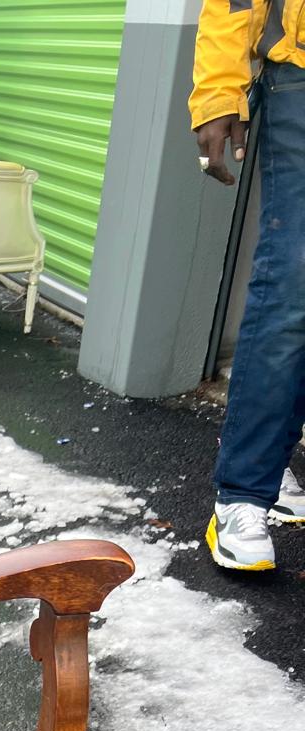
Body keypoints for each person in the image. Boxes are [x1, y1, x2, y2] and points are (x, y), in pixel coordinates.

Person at [192, 0, 305, 572]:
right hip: (300, 77)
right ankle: (242, 494)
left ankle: (270, 461)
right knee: (292, 288)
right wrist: (219, 92)